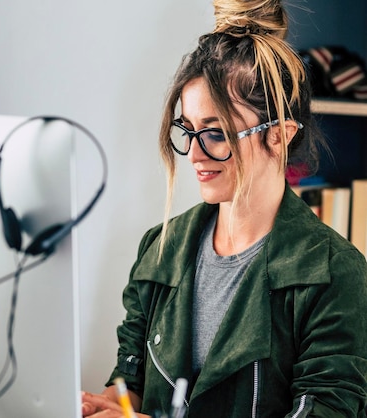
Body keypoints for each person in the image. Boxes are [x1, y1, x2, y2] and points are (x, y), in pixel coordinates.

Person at [81, 0, 367, 416]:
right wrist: (100, 406)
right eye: (188, 130)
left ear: (280, 136)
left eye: (214, 133)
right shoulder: (161, 249)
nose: (195, 154)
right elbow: (129, 387)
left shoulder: (334, 275)